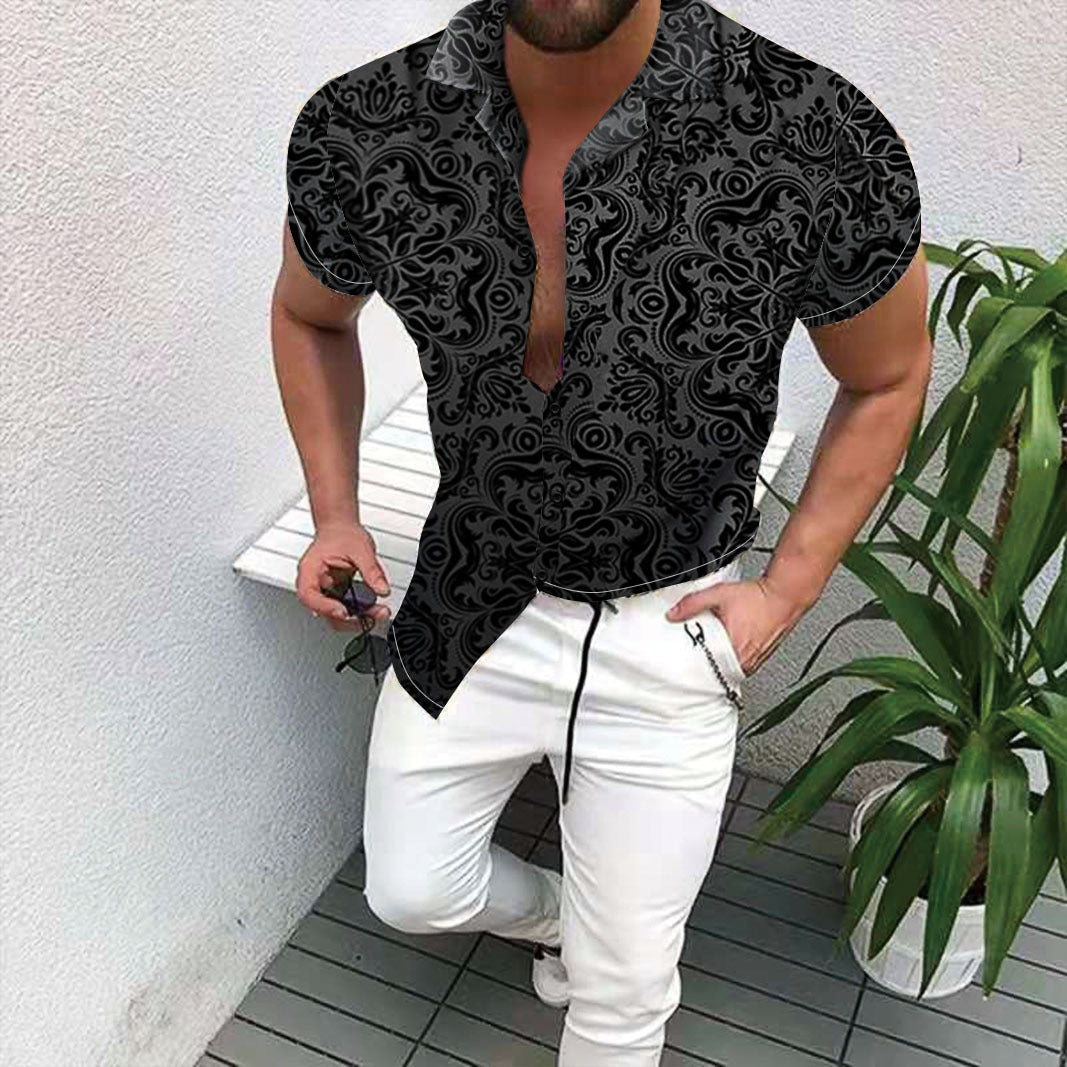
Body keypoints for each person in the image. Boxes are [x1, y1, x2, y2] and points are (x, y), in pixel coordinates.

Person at [272, 0, 931, 1062]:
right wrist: (334, 513)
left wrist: (786, 588)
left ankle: (608, 953)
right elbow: (310, 313)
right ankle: (565, 920)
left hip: (668, 624)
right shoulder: (366, 124)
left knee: (624, 1002)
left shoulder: (814, 131)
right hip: (469, 590)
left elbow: (888, 373)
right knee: (410, 885)